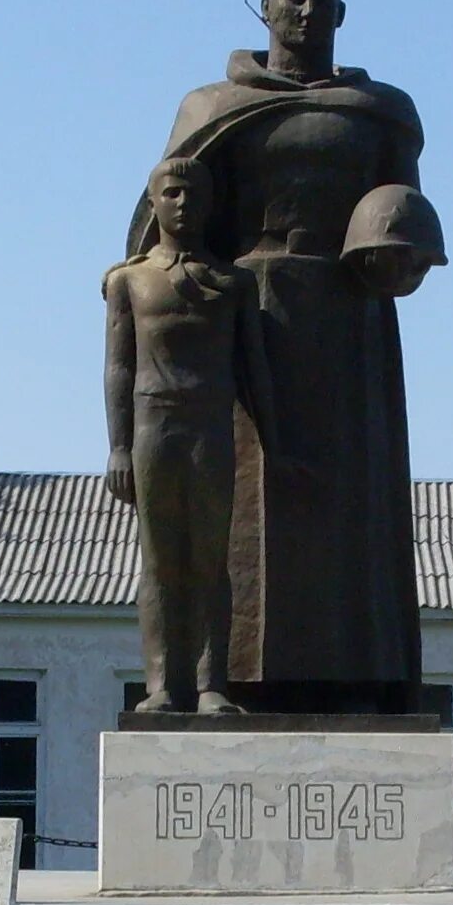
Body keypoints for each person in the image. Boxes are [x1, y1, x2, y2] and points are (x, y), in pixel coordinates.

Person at [127, 0, 443, 712]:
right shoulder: (211, 105)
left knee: (346, 503)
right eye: (293, 0)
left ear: (341, 14)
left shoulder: (381, 111)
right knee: (236, 505)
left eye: (322, 2)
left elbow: (405, 219)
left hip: (350, 324)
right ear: (265, 10)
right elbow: (160, 225)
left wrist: (399, 260)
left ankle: (357, 679)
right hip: (243, 321)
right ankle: (217, 680)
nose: (307, 14)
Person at [104, 155, 269, 715]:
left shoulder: (234, 283)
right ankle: (162, 686)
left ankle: (209, 684)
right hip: (154, 427)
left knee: (209, 560)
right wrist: (119, 445)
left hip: (210, 430)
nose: (183, 203)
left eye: (195, 193)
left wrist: (278, 444)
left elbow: (256, 373)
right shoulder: (129, 280)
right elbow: (118, 369)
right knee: (159, 560)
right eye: (172, 193)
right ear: (153, 203)